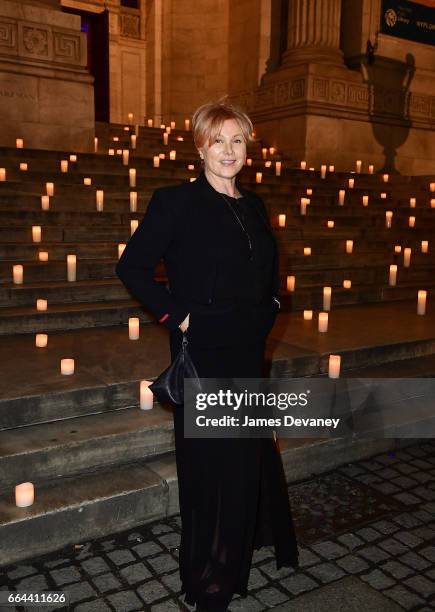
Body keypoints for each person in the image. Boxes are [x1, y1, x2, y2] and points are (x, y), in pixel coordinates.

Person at [116, 100, 299, 611]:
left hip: (246, 348)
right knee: (211, 466)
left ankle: (242, 545)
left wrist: (274, 304)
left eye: (237, 140)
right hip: (204, 353)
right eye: (217, 140)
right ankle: (210, 579)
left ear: (248, 147)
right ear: (199, 146)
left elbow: (267, 269)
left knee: (243, 457)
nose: (228, 151)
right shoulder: (175, 202)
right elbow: (131, 269)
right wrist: (180, 318)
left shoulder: (254, 204)